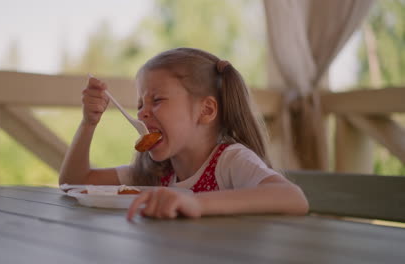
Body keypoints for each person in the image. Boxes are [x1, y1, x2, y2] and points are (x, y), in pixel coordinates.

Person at [59, 47, 309, 220]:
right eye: (139, 105)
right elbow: (75, 181)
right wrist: (88, 124)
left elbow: (293, 198)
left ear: (206, 110)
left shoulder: (229, 160)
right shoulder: (157, 172)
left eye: (156, 100)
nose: (142, 114)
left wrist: (196, 203)